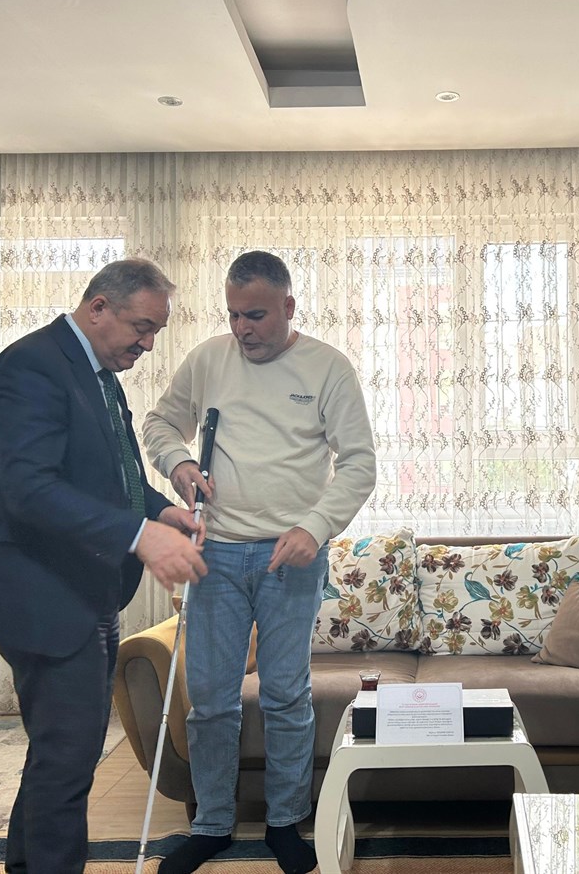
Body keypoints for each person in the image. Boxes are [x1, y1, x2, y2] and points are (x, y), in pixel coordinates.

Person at [0, 258, 209, 874]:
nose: (147, 345)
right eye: (142, 328)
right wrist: (140, 535)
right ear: (98, 307)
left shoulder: (99, 374)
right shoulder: (29, 369)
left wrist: (161, 511)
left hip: (87, 594)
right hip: (42, 598)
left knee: (60, 755)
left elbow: (114, 475)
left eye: (155, 333)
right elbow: (29, 490)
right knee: (68, 758)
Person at [144, 250, 376, 874]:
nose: (242, 328)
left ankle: (284, 822)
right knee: (211, 702)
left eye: (255, 315)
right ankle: (212, 824)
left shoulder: (328, 367)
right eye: (233, 315)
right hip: (215, 554)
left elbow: (359, 463)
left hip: (290, 559)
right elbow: (160, 424)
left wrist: (314, 528)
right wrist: (178, 463)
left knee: (285, 697)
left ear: (288, 307)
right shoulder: (209, 360)